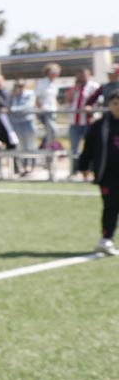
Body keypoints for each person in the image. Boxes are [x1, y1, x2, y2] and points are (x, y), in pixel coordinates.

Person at [74, 86, 119, 256]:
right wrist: (84, 166)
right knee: (110, 206)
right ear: (109, 105)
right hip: (107, 174)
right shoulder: (100, 125)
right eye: (114, 103)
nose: (117, 107)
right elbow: (89, 147)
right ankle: (107, 239)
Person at [67, 68, 101, 177]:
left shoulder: (94, 86)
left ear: (89, 75)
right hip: (74, 122)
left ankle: (89, 170)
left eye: (84, 75)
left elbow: (99, 101)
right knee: (74, 149)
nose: (81, 77)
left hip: (88, 122)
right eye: (79, 75)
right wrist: (74, 90)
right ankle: (74, 170)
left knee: (89, 147)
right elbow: (69, 100)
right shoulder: (75, 87)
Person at [4, 78, 37, 175]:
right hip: (16, 123)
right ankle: (22, 167)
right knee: (20, 146)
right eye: (17, 86)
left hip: (28, 122)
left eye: (21, 86)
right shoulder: (12, 96)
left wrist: (13, 109)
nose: (19, 88)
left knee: (30, 146)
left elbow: (27, 107)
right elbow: (6, 108)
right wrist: (13, 98)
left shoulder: (30, 94)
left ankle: (30, 167)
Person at [33, 64, 62, 150]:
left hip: (53, 111)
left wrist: (58, 106)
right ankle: (44, 147)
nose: (55, 74)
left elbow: (53, 98)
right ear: (48, 72)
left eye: (57, 72)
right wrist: (41, 107)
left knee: (51, 132)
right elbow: (36, 97)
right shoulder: (41, 82)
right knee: (52, 130)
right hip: (44, 111)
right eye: (53, 72)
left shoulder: (55, 84)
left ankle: (46, 148)